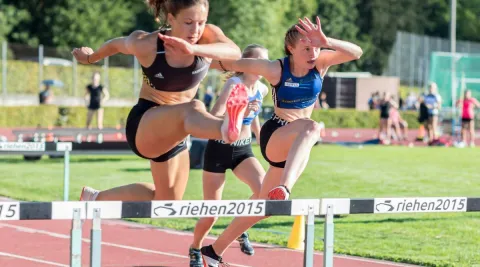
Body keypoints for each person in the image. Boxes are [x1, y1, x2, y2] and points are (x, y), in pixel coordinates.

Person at [199, 16, 363, 266]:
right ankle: (284, 189)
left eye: (316, 47)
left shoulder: (320, 64)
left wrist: (327, 41)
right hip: (277, 134)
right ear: (291, 49)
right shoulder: (276, 68)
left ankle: (214, 250)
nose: (313, 53)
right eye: (306, 48)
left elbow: (357, 52)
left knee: (262, 206)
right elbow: (233, 62)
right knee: (312, 127)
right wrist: (193, 55)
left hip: (297, 144)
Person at [75, 0, 249, 204]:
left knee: (167, 200)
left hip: (177, 133)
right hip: (146, 124)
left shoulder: (206, 37)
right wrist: (90, 58)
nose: (196, 30)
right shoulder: (149, 44)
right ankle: (225, 128)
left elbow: (235, 52)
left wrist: (193, 50)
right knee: (194, 108)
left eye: (201, 22)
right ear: (171, 19)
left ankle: (94, 197)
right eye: (188, 22)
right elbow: (116, 45)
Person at [189, 44, 269, 267]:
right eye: (260, 61)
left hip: (243, 149)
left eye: (266, 62)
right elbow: (214, 115)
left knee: (264, 192)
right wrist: (241, 108)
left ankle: (239, 228)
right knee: (211, 212)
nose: (264, 66)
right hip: (219, 148)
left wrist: (260, 136)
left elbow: (254, 116)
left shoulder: (261, 89)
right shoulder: (234, 84)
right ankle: (195, 248)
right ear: (246, 64)